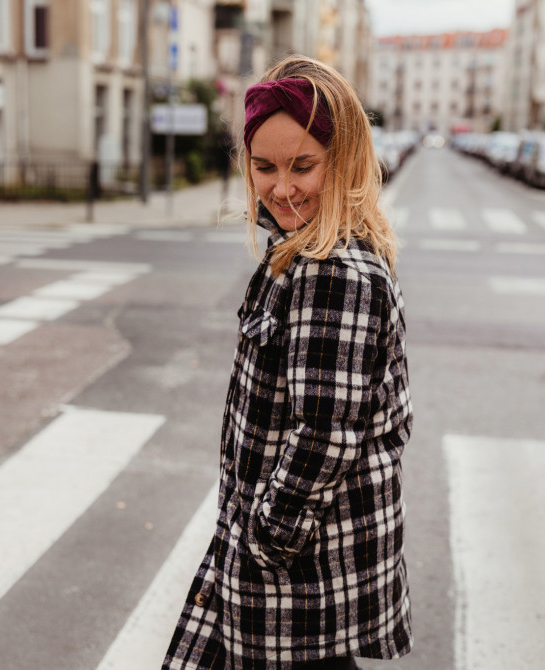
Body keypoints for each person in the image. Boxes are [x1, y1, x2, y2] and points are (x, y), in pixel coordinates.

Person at [162, 55, 413, 670]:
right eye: (264, 166)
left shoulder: (331, 270)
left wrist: (267, 537)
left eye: (303, 165)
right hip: (304, 560)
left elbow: (326, 432)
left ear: (345, 160)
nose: (281, 188)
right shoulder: (304, 252)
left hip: (302, 570)